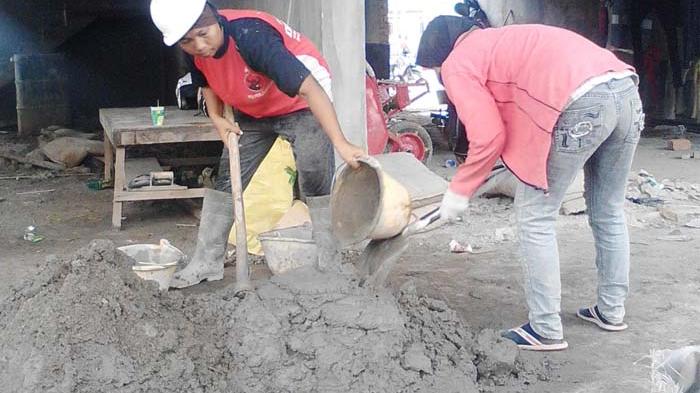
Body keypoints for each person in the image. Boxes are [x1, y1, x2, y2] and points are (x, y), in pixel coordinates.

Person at [416, 9, 644, 351]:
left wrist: (458, 192)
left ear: (439, 54)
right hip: (626, 91)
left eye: (434, 71)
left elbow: (488, 135)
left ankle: (546, 328)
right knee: (608, 209)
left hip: (582, 104)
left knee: (535, 214)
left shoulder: (457, 63)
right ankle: (611, 311)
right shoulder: (503, 41)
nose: (440, 78)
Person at [150, 0, 365, 288]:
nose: (199, 45)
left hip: (301, 104)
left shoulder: (252, 38)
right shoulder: (194, 50)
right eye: (188, 41)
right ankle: (206, 262)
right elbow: (207, 82)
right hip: (253, 110)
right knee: (227, 179)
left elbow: (311, 90)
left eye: (204, 34)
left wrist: (341, 142)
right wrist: (216, 117)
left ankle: (329, 262)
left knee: (314, 177)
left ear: (216, 18)